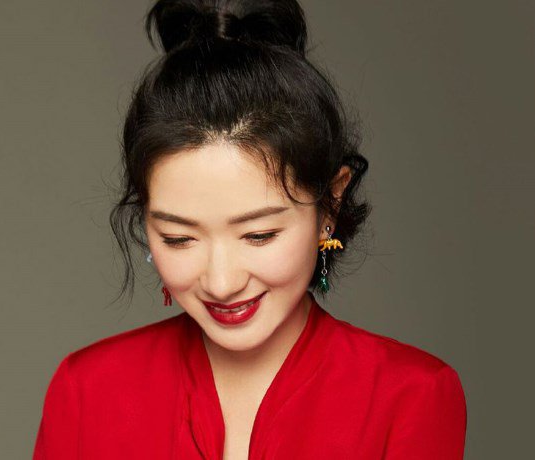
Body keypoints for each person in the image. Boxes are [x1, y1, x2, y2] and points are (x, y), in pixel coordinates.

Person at [32, 0, 467, 458]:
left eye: (258, 235)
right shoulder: (87, 390)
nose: (222, 283)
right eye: (179, 238)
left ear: (330, 204)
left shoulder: (410, 395)